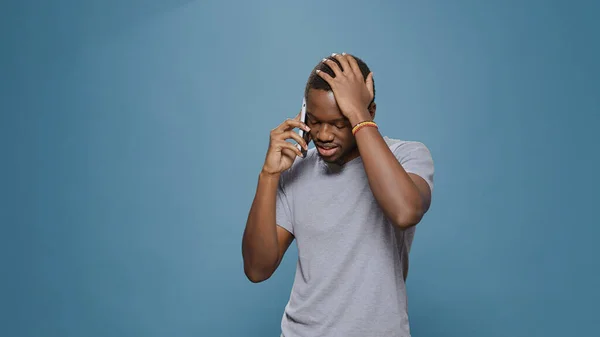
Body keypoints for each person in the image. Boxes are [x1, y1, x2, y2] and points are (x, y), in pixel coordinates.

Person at [242, 52, 434, 337]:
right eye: (316, 121)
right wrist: (268, 175)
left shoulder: (406, 157)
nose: (324, 134)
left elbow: (405, 212)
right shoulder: (296, 170)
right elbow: (257, 269)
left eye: (339, 122)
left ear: (370, 111)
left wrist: (357, 113)